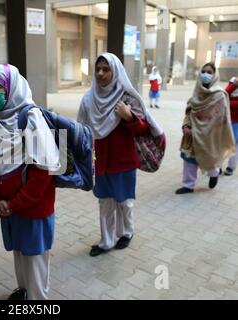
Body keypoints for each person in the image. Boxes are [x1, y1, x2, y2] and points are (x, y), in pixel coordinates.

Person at [0, 64, 60, 300]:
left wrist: (13, 203)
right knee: (20, 252)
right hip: (8, 209)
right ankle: (24, 293)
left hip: (34, 208)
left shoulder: (31, 117)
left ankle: (38, 300)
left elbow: (43, 173)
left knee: (35, 258)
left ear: (11, 88)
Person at [78, 53, 163, 257]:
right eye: (98, 69)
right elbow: (80, 129)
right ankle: (106, 241)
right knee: (105, 202)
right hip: (100, 162)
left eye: (106, 69)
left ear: (115, 71)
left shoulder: (127, 98)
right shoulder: (89, 100)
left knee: (124, 201)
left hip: (123, 162)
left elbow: (144, 129)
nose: (100, 73)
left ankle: (126, 232)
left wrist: (129, 116)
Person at [176, 62, 235, 194]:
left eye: (209, 72)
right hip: (192, 133)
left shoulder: (219, 95)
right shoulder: (196, 92)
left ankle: (214, 174)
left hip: (210, 135)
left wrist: (205, 128)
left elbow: (221, 118)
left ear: (215, 75)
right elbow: (189, 112)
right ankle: (188, 185)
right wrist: (186, 125)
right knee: (189, 159)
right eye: (203, 72)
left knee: (209, 158)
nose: (205, 75)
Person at [223, 76, 238, 176]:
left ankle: (231, 167)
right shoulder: (233, 80)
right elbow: (224, 94)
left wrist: (228, 103)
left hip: (236, 122)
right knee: (223, 144)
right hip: (228, 120)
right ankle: (217, 166)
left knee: (235, 146)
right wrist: (234, 85)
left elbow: (226, 101)